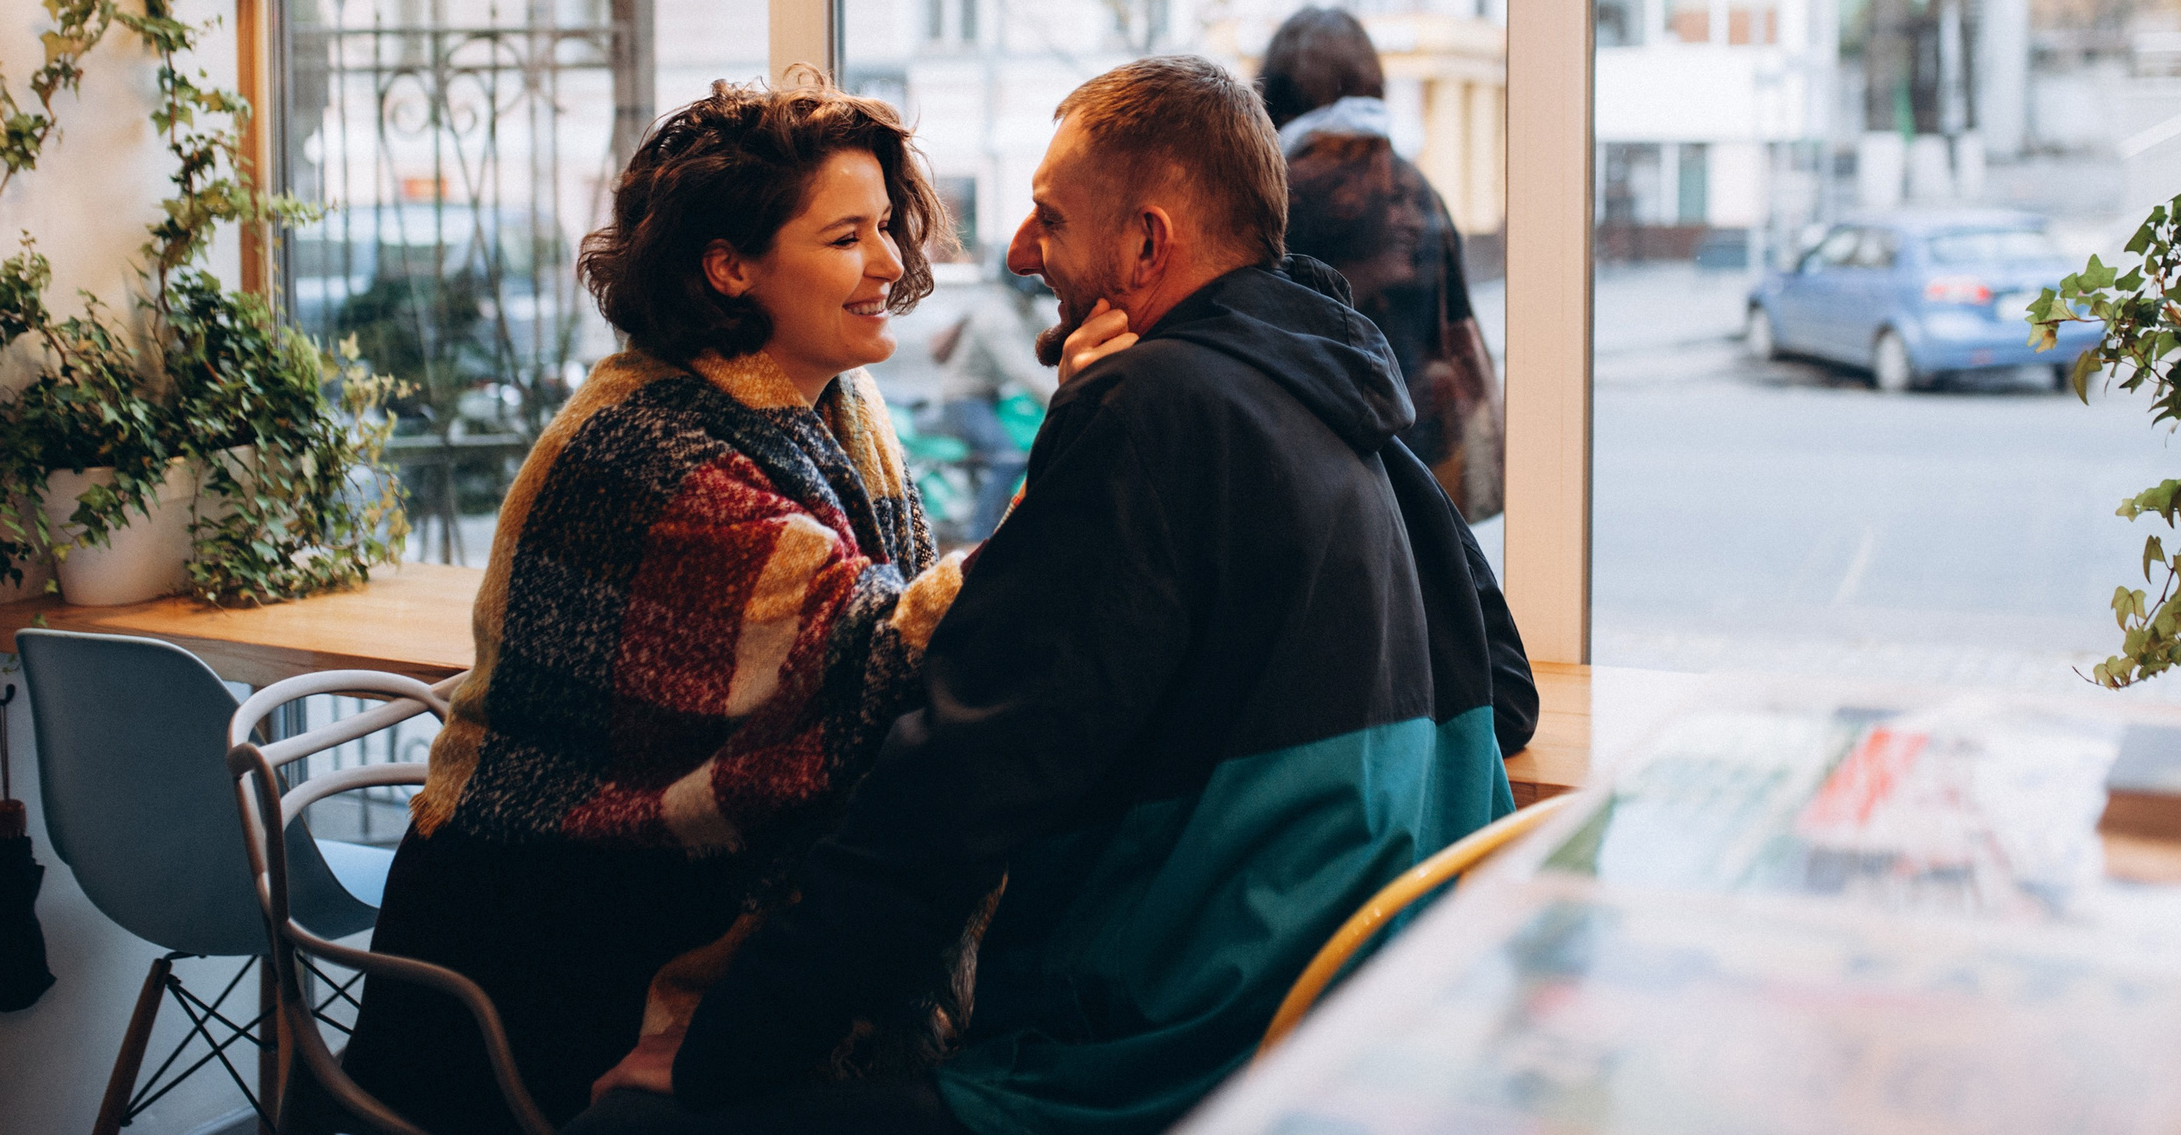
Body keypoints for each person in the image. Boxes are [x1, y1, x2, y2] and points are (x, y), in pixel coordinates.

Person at [573, 55, 1538, 1135]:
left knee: (635, 1124)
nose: (1020, 251)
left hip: (1179, 1055)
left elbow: (955, 790)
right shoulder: (1346, 397)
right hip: (1381, 1024)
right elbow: (1505, 695)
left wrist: (723, 1051)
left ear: (1145, 244)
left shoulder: (1146, 406)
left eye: (1048, 217)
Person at [332, 80, 969, 1134]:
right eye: (848, 236)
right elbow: (880, 649)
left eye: (888, 229)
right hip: (547, 923)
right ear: (730, 266)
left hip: (636, 881)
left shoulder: (835, 405)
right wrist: (1083, 491)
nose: (893, 262)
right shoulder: (646, 454)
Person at [1257, 6, 1505, 522]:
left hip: (1304, 475)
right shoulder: (1419, 189)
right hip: (1420, 463)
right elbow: (1458, 330)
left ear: (1273, 96)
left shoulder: (1269, 193)